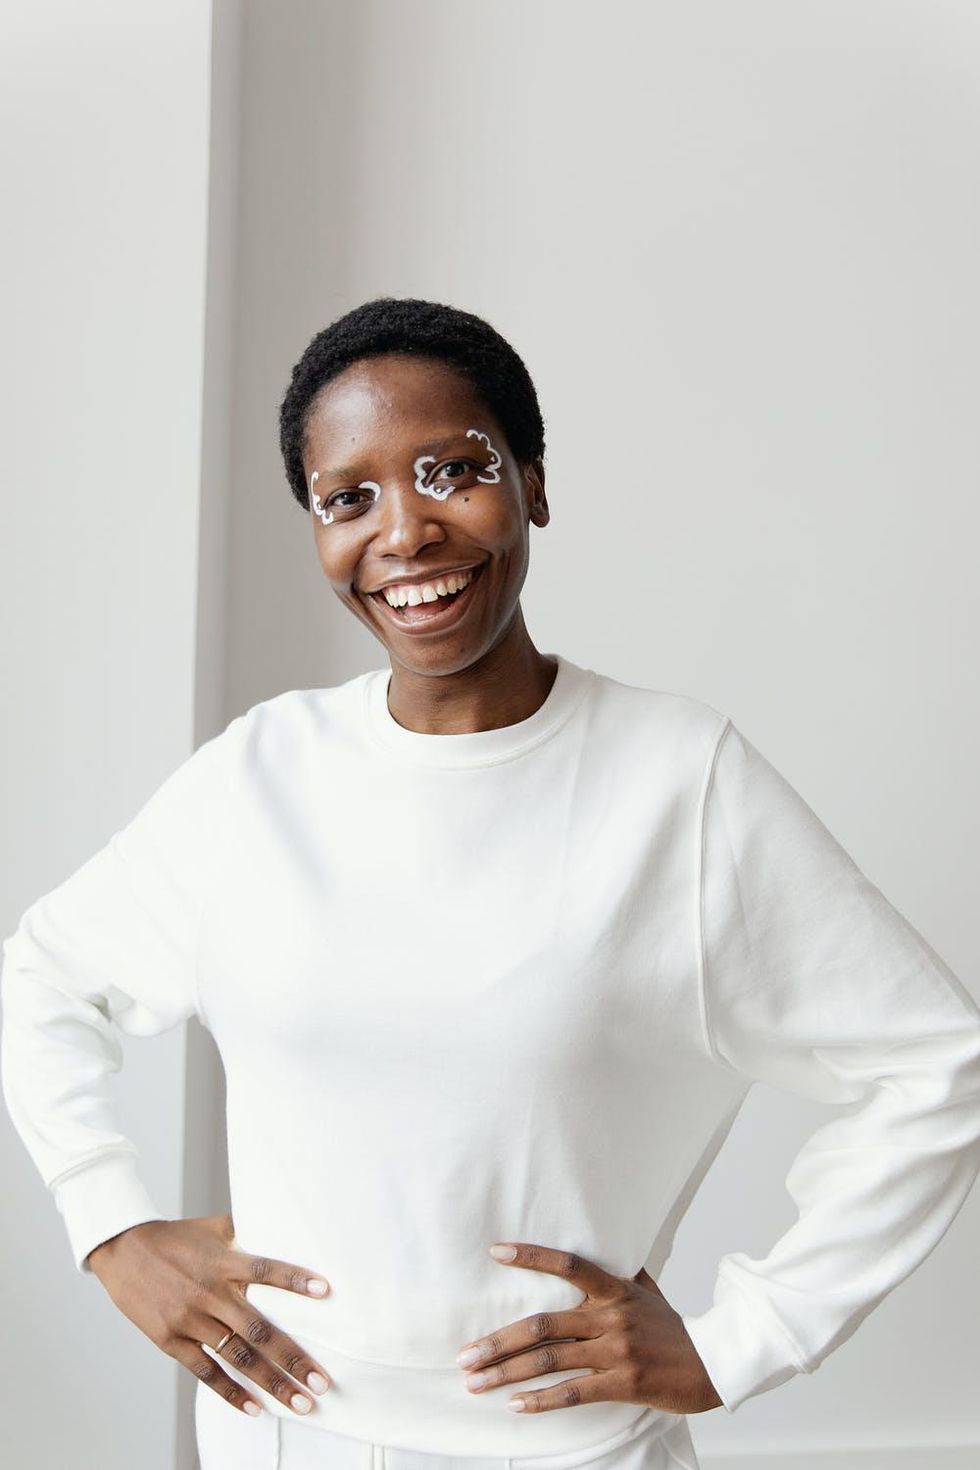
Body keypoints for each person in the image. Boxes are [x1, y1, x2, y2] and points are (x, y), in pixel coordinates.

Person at [3, 297, 980, 1470]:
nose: (403, 533)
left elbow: (934, 1063)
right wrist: (109, 1225)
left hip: (565, 1452)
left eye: (451, 472)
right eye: (347, 498)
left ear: (532, 482)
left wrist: (745, 1339)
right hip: (274, 1441)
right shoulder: (260, 776)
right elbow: (42, 977)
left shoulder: (677, 783)